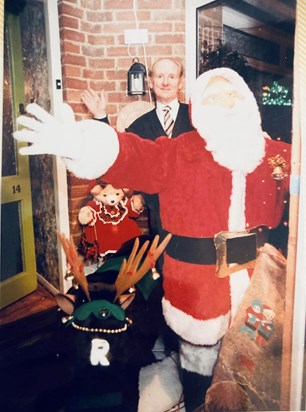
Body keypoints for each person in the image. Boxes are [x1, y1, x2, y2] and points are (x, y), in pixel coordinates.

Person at [14, 67, 291, 411]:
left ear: (247, 100)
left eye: (230, 94)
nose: (223, 103)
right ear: (199, 108)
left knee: (252, 364)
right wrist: (81, 144)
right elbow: (135, 156)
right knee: (199, 362)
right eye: (212, 97)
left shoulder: (277, 154)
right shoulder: (179, 152)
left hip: (259, 284)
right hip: (198, 285)